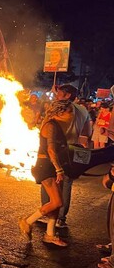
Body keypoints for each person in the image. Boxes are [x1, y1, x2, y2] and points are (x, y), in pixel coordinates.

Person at [19, 101, 73, 247]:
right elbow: (51, 150)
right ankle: (28, 221)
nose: (71, 115)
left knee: (55, 203)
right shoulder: (50, 126)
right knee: (57, 202)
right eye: (69, 111)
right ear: (60, 112)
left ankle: (50, 235)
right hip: (46, 167)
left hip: (51, 166)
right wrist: (59, 169)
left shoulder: (56, 125)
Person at [40, 84, 91, 230]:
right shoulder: (83, 109)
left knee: (49, 181)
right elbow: (86, 132)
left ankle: (47, 212)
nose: (56, 96)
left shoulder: (59, 110)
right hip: (73, 150)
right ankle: (61, 219)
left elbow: (45, 128)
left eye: (59, 93)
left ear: (67, 95)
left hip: (57, 150)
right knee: (67, 184)